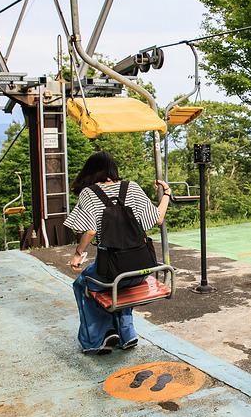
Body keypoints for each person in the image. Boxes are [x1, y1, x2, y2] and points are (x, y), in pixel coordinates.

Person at [63, 151, 171, 355]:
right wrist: (166, 194)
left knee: (83, 284)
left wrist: (78, 253)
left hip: (111, 270)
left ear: (90, 171)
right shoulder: (132, 187)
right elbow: (157, 218)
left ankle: (96, 339)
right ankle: (126, 333)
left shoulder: (89, 193)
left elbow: (90, 231)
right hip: (141, 268)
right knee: (122, 285)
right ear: (113, 169)